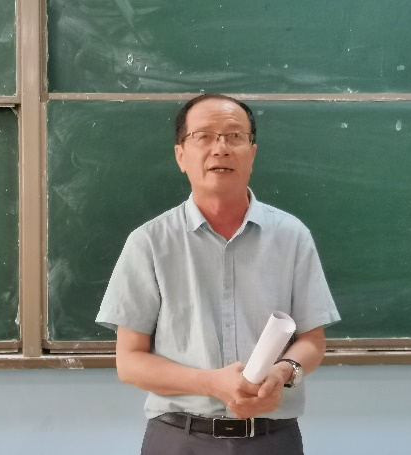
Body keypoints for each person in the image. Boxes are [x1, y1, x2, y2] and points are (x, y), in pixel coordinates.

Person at [96, 93, 340, 454]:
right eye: (204, 136)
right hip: (179, 439)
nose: (221, 148)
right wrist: (210, 383)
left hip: (272, 440)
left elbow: (312, 341)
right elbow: (130, 362)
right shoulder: (149, 243)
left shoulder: (292, 236)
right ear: (181, 155)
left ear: (252, 153)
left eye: (234, 136)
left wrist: (283, 372)